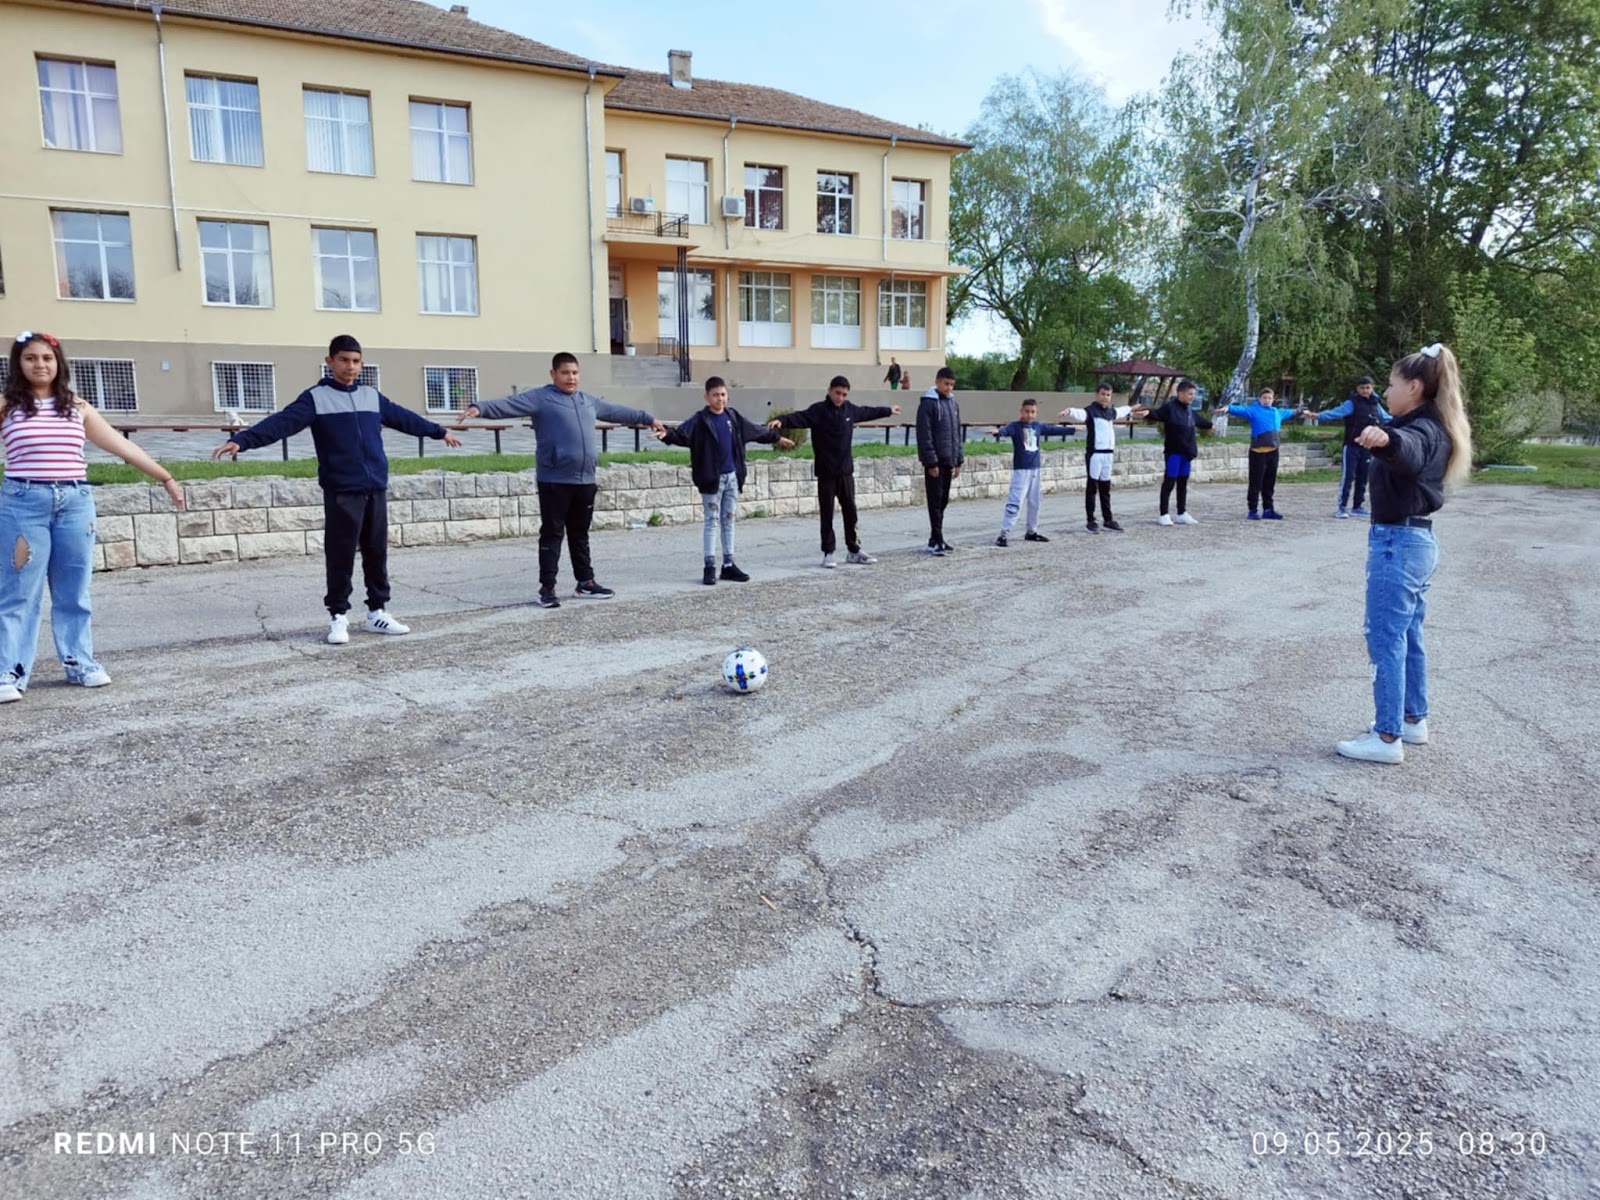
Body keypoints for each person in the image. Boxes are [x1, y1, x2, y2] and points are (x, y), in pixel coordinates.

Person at [215, 335, 461, 643]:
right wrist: (242, 441)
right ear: (330, 361)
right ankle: (338, 617)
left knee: (376, 553)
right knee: (341, 555)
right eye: (344, 360)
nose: (350, 367)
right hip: (341, 490)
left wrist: (439, 432)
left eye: (356, 361)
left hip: (375, 487)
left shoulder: (371, 396)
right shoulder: (316, 398)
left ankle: (377, 613)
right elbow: (281, 423)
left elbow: (404, 418)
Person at [1, 331, 187, 703]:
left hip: (75, 504)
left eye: (47, 358)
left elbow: (122, 446)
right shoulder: (8, 406)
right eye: (31, 358)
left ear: (58, 363)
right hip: (23, 504)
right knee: (19, 591)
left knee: (73, 589)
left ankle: (80, 663)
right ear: (19, 364)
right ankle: (10, 672)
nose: (40, 365)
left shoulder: (77, 407)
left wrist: (165, 477)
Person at [1336, 343, 1472, 764]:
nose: (1385, 392)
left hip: (1398, 543)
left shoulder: (1422, 430)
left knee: (1385, 637)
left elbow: (1408, 450)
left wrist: (1386, 439)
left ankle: (1386, 736)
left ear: (1414, 387)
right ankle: (1411, 719)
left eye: (1391, 385)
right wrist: (1389, 434)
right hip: (1414, 542)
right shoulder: (1431, 424)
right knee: (1408, 634)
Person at [463, 353, 661, 608]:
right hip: (554, 480)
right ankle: (547, 588)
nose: (571, 378)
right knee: (552, 534)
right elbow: (509, 404)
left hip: (585, 480)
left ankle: (585, 582)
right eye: (565, 373)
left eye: (575, 373)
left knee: (580, 534)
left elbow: (615, 411)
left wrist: (647, 418)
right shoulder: (540, 398)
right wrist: (480, 408)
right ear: (553, 374)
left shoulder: (587, 401)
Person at [656, 376, 792, 585]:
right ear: (707, 397)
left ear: (727, 396)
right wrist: (666, 434)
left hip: (732, 478)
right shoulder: (700, 420)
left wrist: (776, 437)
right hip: (712, 479)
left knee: (728, 520)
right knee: (712, 521)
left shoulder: (733, 417)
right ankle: (709, 566)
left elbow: (755, 431)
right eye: (715, 395)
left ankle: (728, 565)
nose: (719, 399)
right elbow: (682, 435)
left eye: (723, 395)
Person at [766, 377, 899, 568]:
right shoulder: (818, 411)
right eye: (837, 393)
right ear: (829, 390)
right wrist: (781, 420)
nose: (840, 397)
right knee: (827, 514)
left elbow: (867, 411)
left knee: (851, 511)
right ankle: (828, 553)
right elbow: (800, 417)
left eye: (844, 394)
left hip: (845, 473)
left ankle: (854, 550)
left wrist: (888, 410)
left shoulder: (849, 410)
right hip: (826, 473)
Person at [983, 399, 1074, 546]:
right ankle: (1004, 534)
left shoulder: (1037, 426)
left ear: (1036, 413)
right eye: (1027, 411)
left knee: (1035, 502)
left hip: (1035, 470)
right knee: (1015, 501)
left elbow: (1053, 430)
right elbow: (1006, 431)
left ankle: (1031, 531)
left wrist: (1073, 429)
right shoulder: (1015, 426)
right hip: (1021, 470)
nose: (1030, 415)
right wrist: (998, 432)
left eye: (1033, 412)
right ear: (1021, 411)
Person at [1060, 381, 1147, 533]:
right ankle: (1091, 520)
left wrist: (1131, 408)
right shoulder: (1091, 411)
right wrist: (1069, 411)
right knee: (1092, 487)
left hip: (1108, 454)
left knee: (1105, 488)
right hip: (1095, 453)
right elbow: (1081, 413)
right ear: (1097, 394)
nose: (1105, 397)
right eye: (1103, 394)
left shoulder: (1110, 412)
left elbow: (1120, 411)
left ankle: (1108, 519)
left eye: (1108, 395)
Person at [1221, 387, 1309, 520]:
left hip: (1273, 452)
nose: (1267, 400)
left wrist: (1304, 411)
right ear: (1259, 399)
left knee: (1269, 482)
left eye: (1269, 398)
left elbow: (1292, 412)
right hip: (1258, 453)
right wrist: (1228, 408)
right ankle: (1252, 510)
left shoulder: (1277, 412)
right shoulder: (1253, 410)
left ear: (1273, 399)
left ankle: (1268, 509)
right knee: (1256, 482)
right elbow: (1240, 410)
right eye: (1264, 398)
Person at [1314, 375, 1393, 518]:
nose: (1365, 390)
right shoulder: (1352, 403)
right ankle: (1342, 507)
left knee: (1363, 477)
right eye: (1362, 388)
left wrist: (1406, 420)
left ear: (1372, 388)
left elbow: (1387, 418)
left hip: (1368, 447)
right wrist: (1317, 415)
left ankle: (1358, 506)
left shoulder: (1375, 404)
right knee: (1348, 477)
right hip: (1351, 446)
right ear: (1357, 389)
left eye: (1368, 387)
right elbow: (1335, 413)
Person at [1144, 380, 1214, 526]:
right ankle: (1164, 514)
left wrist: (1211, 425)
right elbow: (1156, 414)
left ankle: (1181, 513)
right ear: (1180, 393)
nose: (1192, 397)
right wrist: (1147, 412)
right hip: (1174, 453)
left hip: (1186, 453)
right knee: (1169, 482)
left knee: (1183, 483)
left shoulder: (1190, 411)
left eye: (1193, 394)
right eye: (1190, 394)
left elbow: (1201, 421)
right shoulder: (1170, 408)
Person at [916, 367, 963, 555]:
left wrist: (958, 460)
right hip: (935, 462)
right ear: (937, 382)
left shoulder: (953, 404)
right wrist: (931, 462)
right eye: (946, 383)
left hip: (949, 460)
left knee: (943, 501)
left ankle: (935, 539)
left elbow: (956, 434)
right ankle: (938, 540)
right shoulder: (928, 404)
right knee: (935, 502)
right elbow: (924, 435)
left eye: (952, 384)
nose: (948, 387)